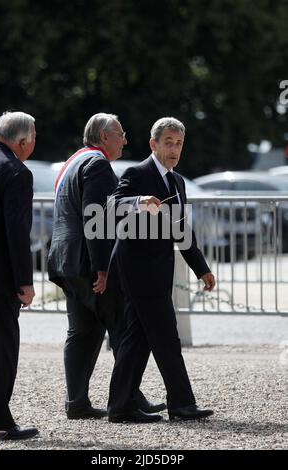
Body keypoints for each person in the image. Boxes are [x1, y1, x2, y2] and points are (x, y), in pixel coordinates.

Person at [48, 113, 165, 419]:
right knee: (124, 329)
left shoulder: (73, 160)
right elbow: (95, 219)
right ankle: (128, 401)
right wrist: (103, 268)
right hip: (89, 263)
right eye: (121, 134)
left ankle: (77, 402)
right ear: (104, 138)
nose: (125, 140)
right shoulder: (98, 164)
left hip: (65, 260)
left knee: (83, 331)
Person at [107, 117, 216, 423]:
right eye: (168, 142)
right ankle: (181, 404)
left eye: (179, 143)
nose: (174, 148)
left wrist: (202, 268)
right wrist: (138, 201)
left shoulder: (177, 181)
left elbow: (182, 230)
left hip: (157, 270)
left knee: (136, 339)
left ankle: (121, 406)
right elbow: (113, 205)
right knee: (167, 336)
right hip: (137, 269)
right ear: (153, 144)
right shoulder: (136, 173)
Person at [0, 111, 38, 439]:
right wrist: (25, 281)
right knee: (2, 347)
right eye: (33, 139)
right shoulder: (15, 171)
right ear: (22, 141)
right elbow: (16, 232)